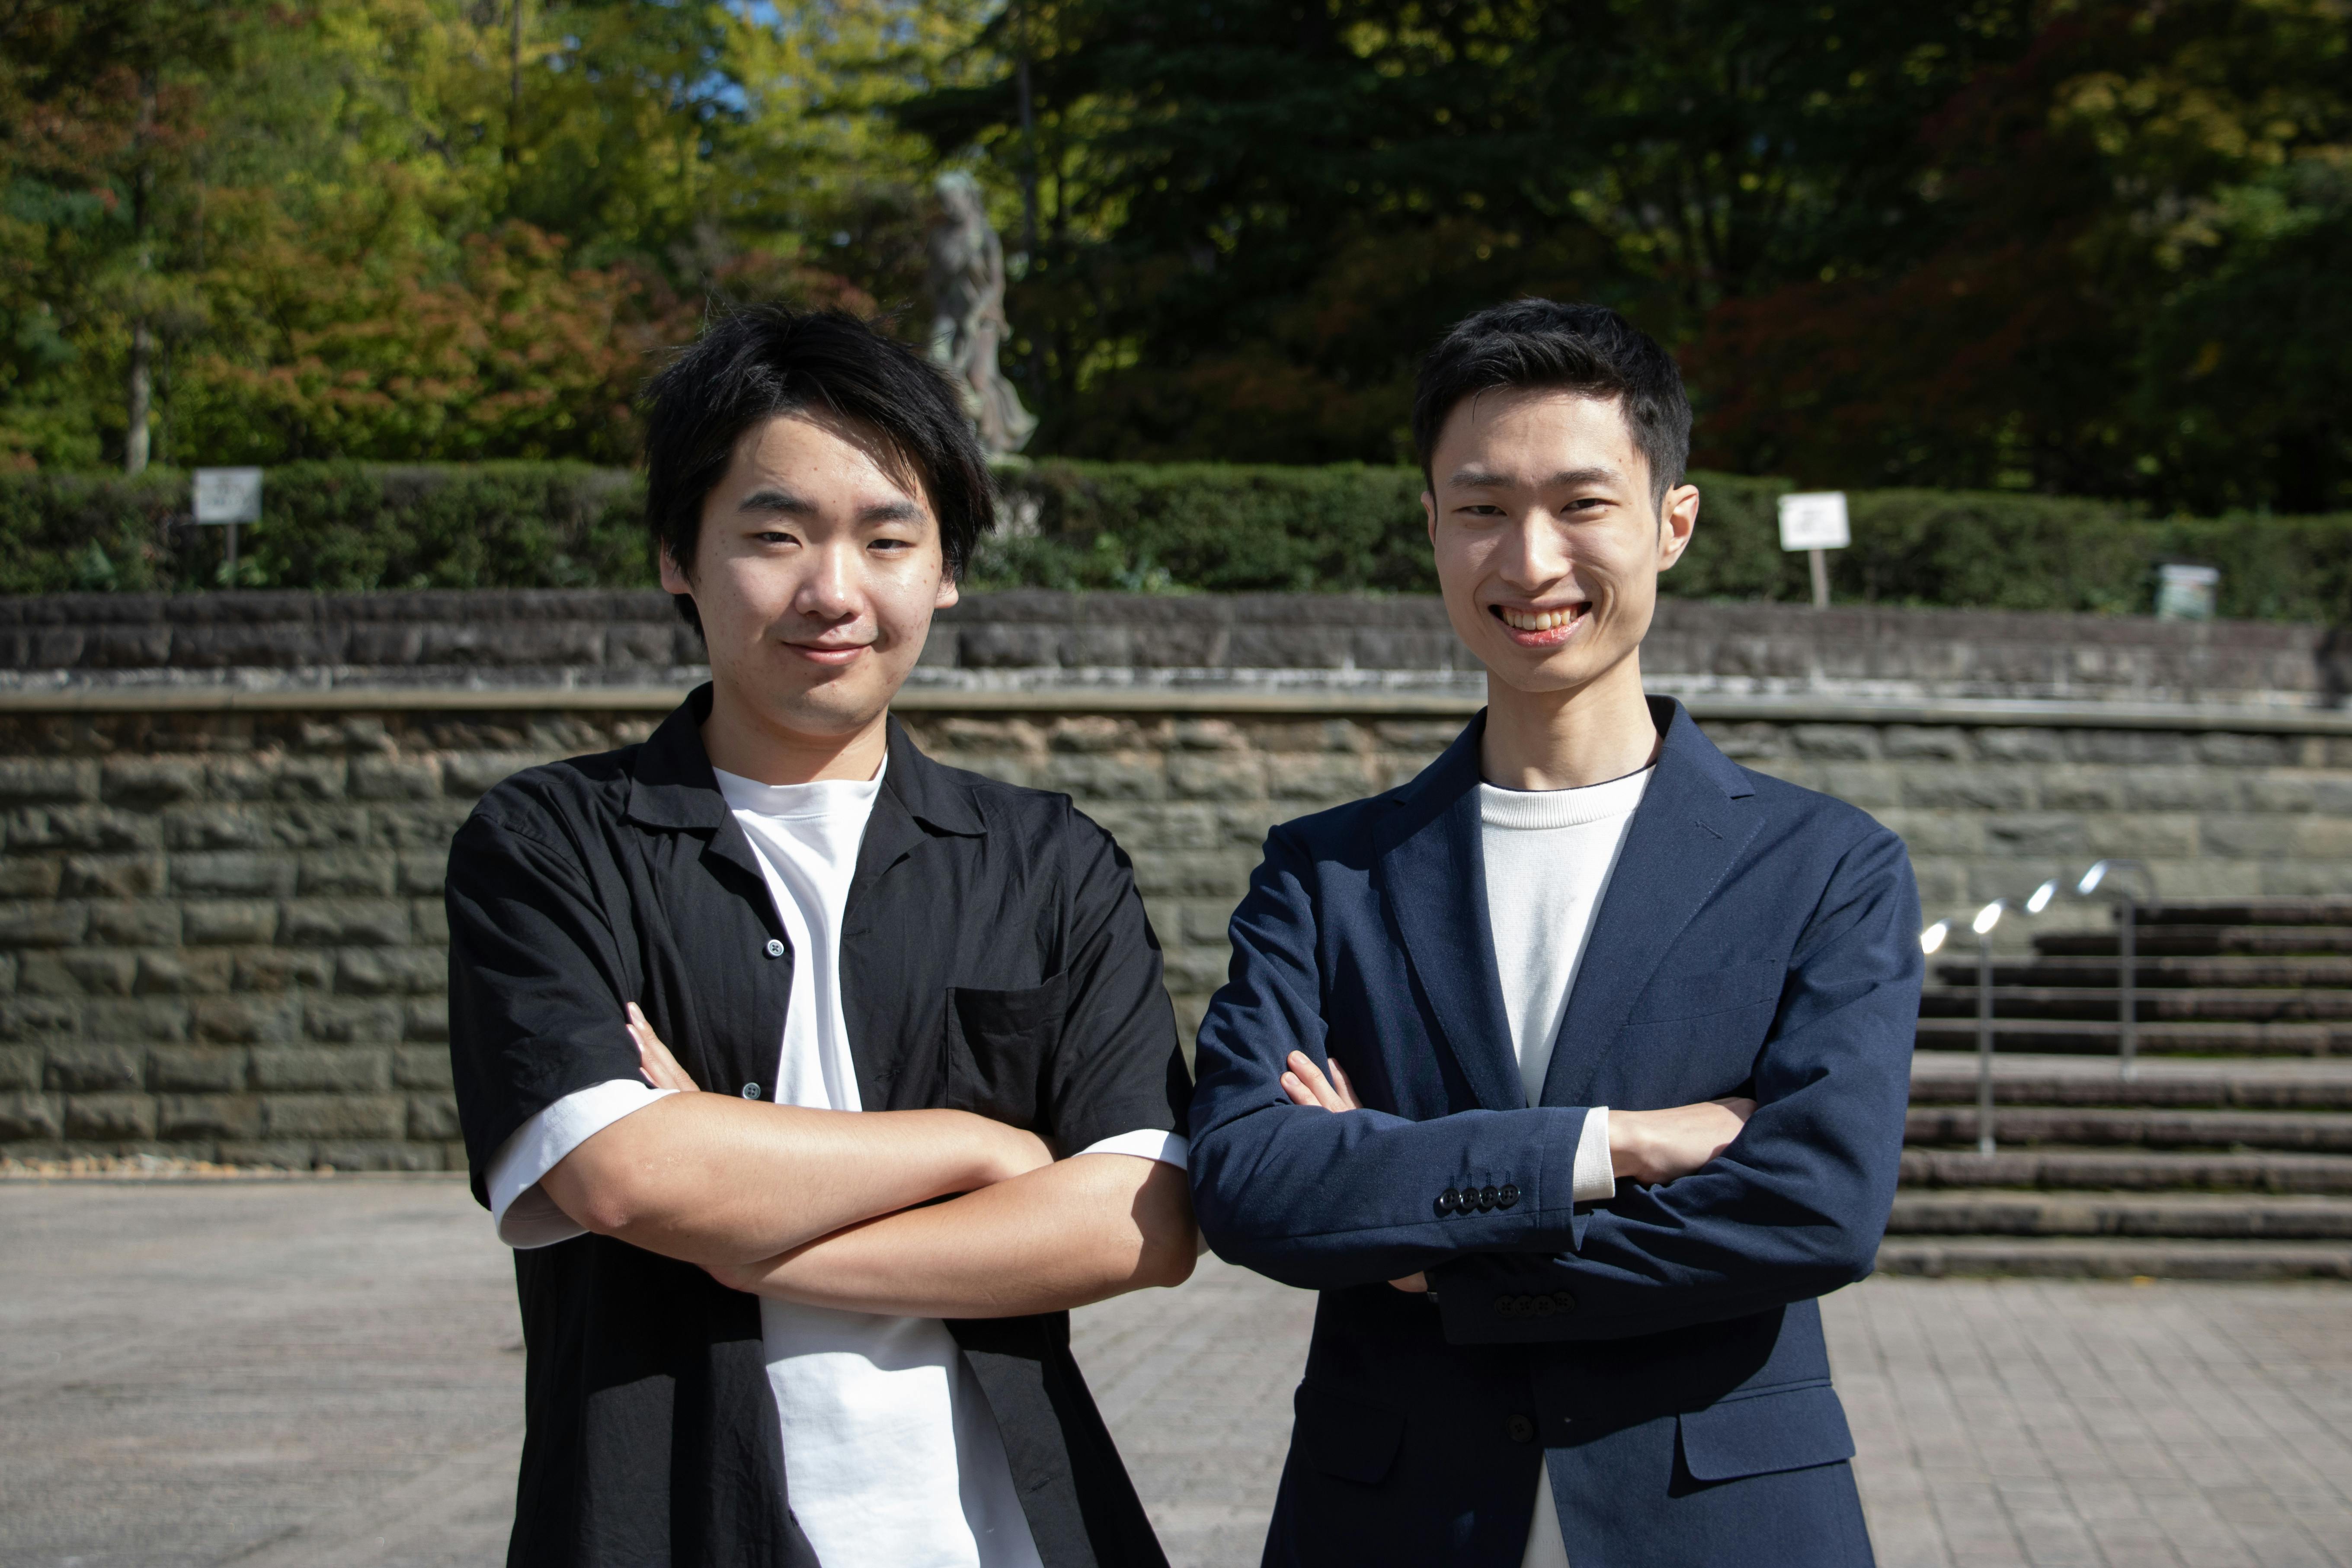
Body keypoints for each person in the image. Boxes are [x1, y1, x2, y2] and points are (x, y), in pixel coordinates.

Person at [445, 305, 1195, 1568]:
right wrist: (978, 1145)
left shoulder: (1047, 863)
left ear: (945, 567)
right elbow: (623, 1177)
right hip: (666, 1523)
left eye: (887, 539)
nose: (833, 591)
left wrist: (741, 1223)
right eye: (775, 535)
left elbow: (1144, 1221)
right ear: (678, 555)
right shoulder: (551, 842)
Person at [1187, 300, 1922, 1567]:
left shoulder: (1825, 865)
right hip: (1390, 1522)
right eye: (1483, 508)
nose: (1531, 563)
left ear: (1671, 524)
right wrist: (1612, 1144)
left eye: (1582, 505)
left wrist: (1437, 1253)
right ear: (1431, 526)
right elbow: (1251, 1181)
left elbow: (1816, 1206)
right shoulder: (1326, 872)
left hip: (1724, 1524)